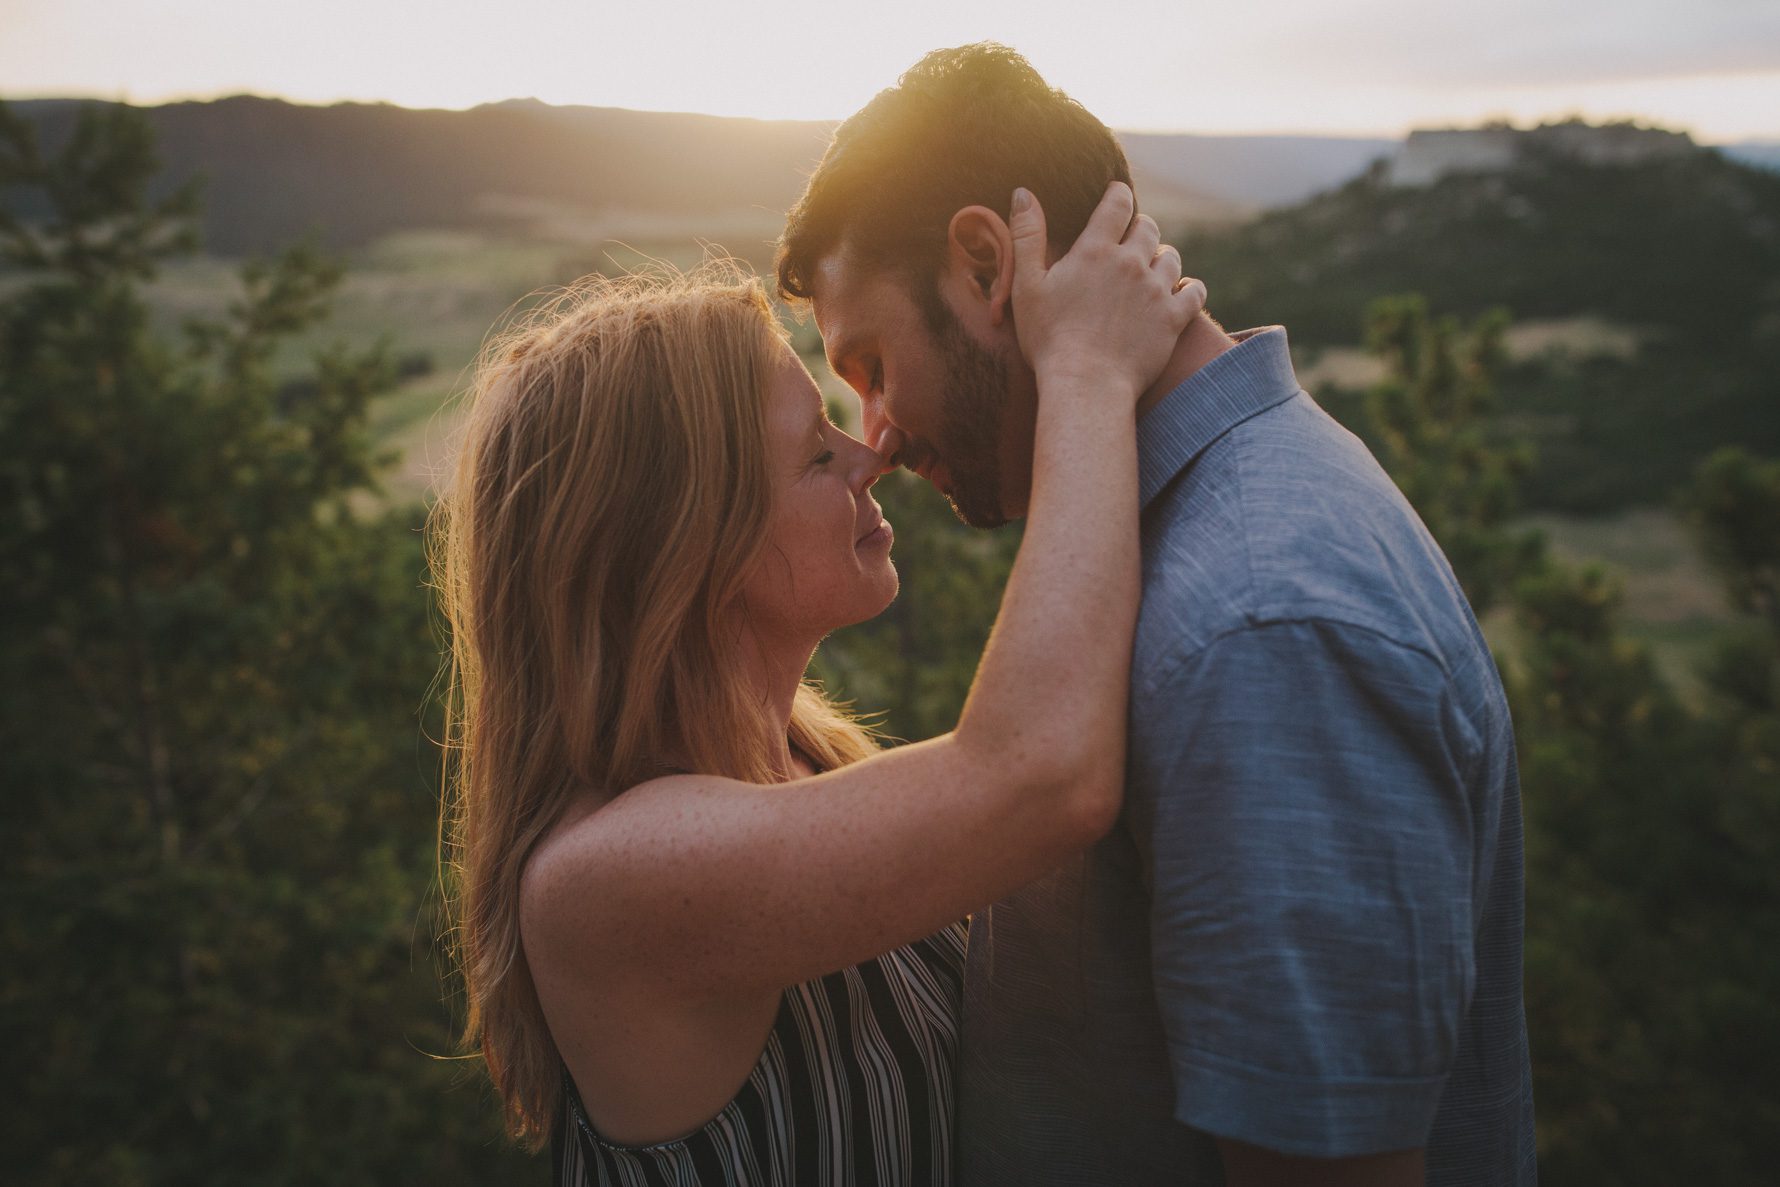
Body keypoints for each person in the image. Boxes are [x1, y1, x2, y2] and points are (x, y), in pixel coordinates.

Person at [777, 43, 1537, 1186]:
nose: (874, 432)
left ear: (987, 265)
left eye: (873, 362)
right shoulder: (1184, 537)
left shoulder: (1261, 624)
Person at [433, 182, 1202, 1184]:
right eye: (811, 452)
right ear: (684, 549)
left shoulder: (801, 759)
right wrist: (1088, 373)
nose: (871, 451)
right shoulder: (611, 875)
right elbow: (1042, 774)